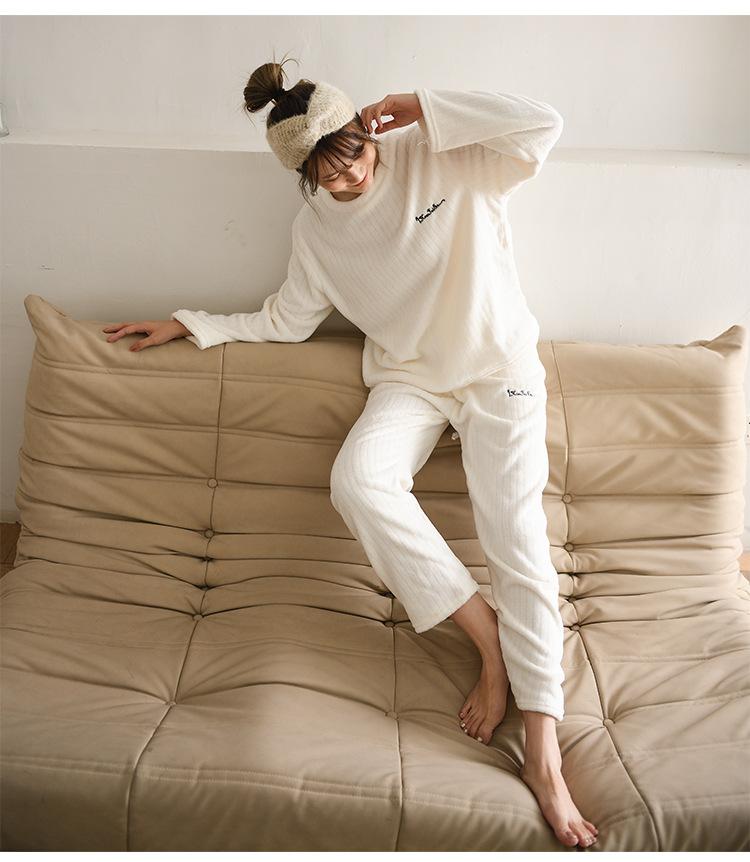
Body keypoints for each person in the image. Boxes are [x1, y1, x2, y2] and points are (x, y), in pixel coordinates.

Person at [103, 55, 597, 849]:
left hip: (497, 370)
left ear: (368, 132)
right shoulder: (316, 235)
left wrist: (421, 103)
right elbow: (286, 319)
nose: (347, 178)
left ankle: (545, 754)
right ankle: (489, 643)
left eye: (353, 155)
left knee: (518, 540)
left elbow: (545, 124)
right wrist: (189, 324)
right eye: (324, 172)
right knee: (359, 481)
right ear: (301, 175)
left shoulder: (442, 154)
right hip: (410, 378)